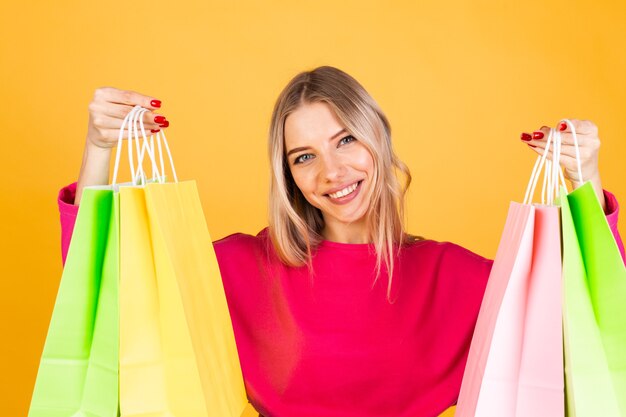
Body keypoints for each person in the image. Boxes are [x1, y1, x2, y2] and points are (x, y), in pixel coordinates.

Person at [57, 66, 624, 417]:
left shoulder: (456, 277)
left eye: (345, 139)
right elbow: (102, 301)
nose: (331, 171)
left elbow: (593, 337)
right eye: (304, 156)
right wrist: (100, 149)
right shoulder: (241, 267)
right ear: (288, 175)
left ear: (378, 137)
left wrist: (583, 178)